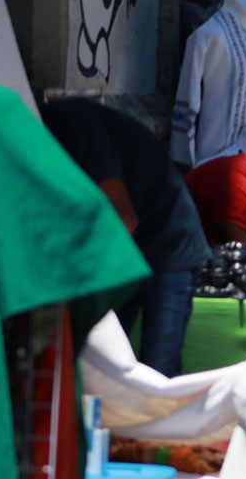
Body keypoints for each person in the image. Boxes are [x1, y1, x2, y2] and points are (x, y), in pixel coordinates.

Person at [41, 98, 213, 377]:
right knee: (107, 367)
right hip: (128, 249)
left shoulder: (73, 126)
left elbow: (123, 219)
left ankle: (160, 419)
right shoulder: (46, 140)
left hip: (169, 242)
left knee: (158, 369)